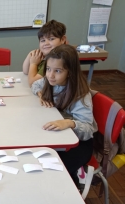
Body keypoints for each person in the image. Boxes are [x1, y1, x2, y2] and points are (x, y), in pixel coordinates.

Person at [31, 44, 98, 188]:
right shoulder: (50, 81)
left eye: (58, 71)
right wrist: (40, 94)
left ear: (70, 72)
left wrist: (69, 123)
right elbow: (35, 85)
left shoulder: (81, 94)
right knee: (35, 159)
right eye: (48, 69)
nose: (50, 75)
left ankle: (74, 178)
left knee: (52, 171)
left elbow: (88, 129)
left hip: (80, 143)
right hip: (58, 137)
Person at [23, 20, 67, 87]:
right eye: (43, 40)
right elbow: (26, 71)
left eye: (51, 39)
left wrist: (33, 64)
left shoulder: (56, 60)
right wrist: (31, 55)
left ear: (63, 39)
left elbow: (32, 83)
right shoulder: (45, 56)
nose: (46, 43)